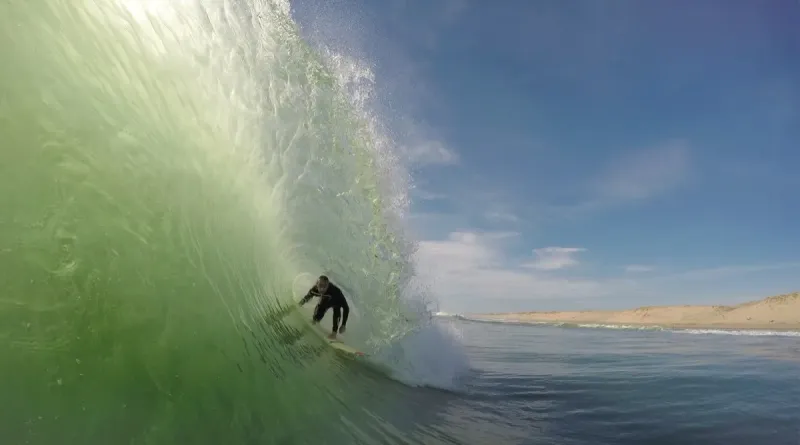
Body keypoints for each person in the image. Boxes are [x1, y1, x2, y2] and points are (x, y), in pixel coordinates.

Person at [299, 275, 350, 339]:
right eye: (320, 285)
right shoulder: (314, 289)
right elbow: (307, 297)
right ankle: (314, 322)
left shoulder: (335, 292)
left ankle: (334, 333)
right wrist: (299, 305)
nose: (322, 289)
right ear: (317, 284)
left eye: (325, 286)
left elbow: (346, 308)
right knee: (320, 308)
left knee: (337, 308)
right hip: (325, 300)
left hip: (334, 300)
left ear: (328, 286)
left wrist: (343, 324)